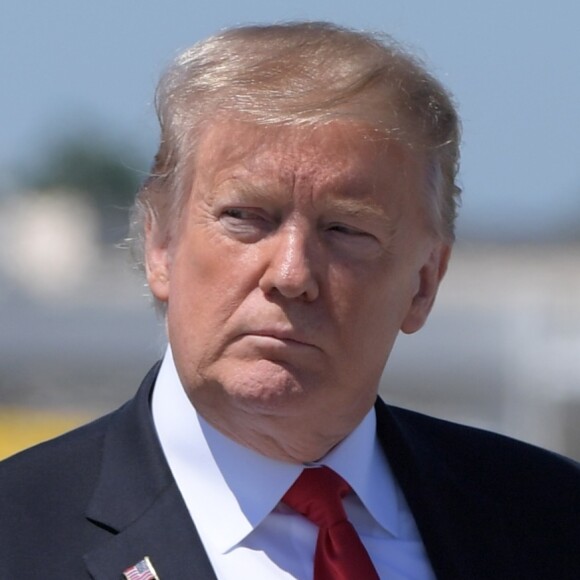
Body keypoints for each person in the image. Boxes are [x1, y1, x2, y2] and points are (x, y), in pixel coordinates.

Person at [0, 22, 578, 580]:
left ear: (424, 283)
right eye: (247, 218)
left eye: (346, 230)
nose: (292, 272)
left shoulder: (550, 522)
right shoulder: (17, 538)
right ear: (160, 245)